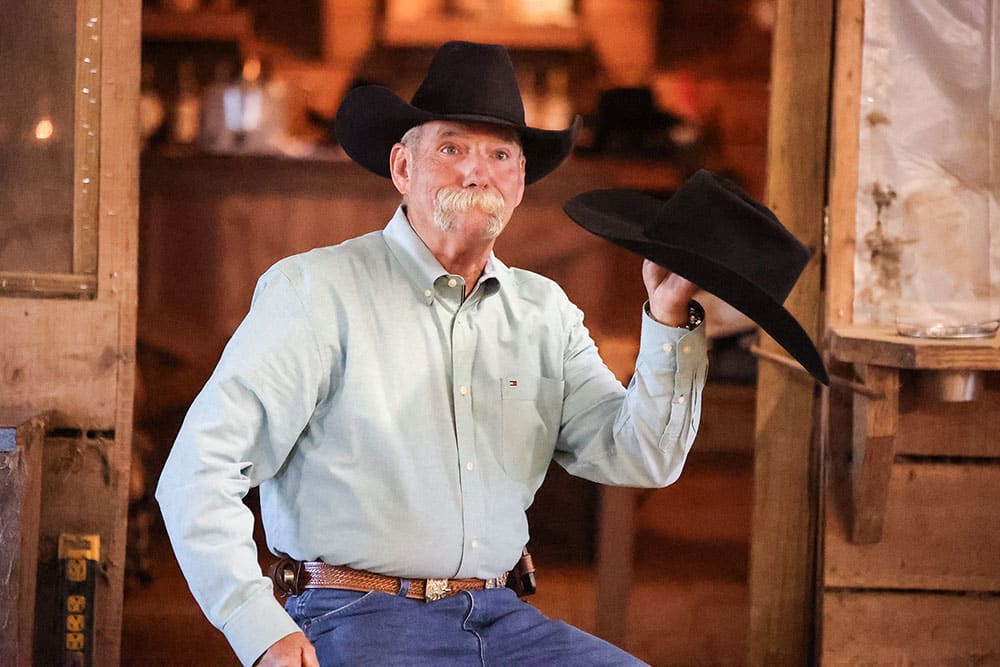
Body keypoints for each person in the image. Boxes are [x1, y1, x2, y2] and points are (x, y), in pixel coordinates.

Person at [156, 40, 708, 667]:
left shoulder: (544, 311)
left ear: (520, 181)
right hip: (357, 617)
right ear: (402, 168)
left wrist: (668, 322)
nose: (478, 172)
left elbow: (642, 457)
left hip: (504, 620)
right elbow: (198, 472)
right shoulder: (313, 291)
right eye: (451, 149)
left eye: (500, 154)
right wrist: (256, 627)